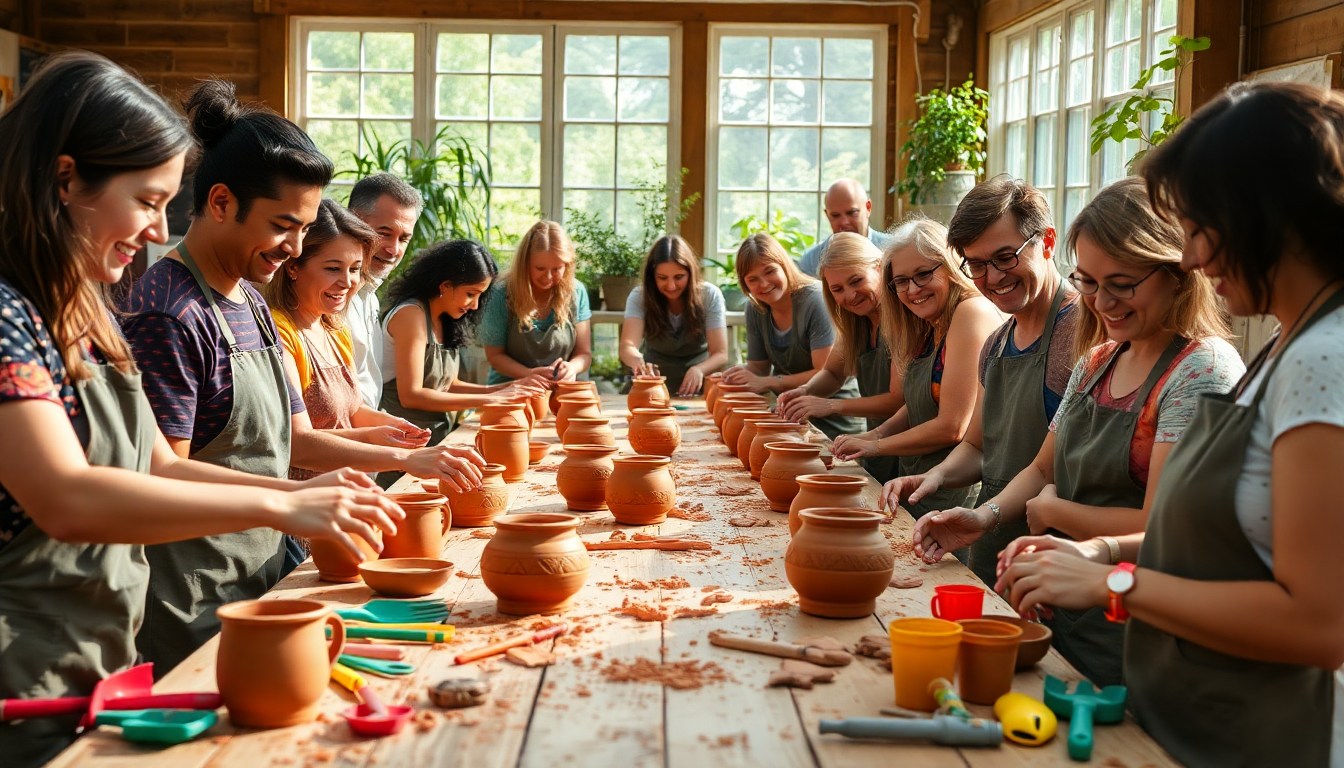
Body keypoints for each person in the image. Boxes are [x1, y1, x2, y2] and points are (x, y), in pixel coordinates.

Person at [0, 52, 401, 767]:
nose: (158, 231)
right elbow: (64, 497)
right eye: (149, 201)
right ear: (66, 180)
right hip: (22, 682)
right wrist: (281, 508)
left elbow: (157, 465)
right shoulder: (7, 317)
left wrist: (299, 494)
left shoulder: (81, 312)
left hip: (96, 671)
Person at [995, 82, 1344, 768]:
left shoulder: (1323, 359)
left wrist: (1113, 585)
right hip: (1197, 711)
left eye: (1195, 228)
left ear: (1260, 213)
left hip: (1265, 734)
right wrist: (1101, 553)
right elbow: (1218, 544)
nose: (1189, 259)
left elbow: (1321, 623)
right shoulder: (1284, 345)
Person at [119, 80, 484, 672]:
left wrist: (372, 463)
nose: (293, 248)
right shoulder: (168, 309)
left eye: (303, 228)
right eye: (283, 226)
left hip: (265, 572)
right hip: (196, 596)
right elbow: (169, 478)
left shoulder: (251, 299)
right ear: (219, 203)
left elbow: (288, 437)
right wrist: (294, 497)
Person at [915, 178, 1243, 687]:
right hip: (1061, 605)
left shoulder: (1200, 371)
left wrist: (1053, 512)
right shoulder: (1097, 360)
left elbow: (1163, 528)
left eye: (1122, 283)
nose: (1102, 302)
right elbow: (1043, 466)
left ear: (1178, 272)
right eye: (1088, 282)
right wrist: (982, 516)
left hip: (1135, 628)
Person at [880, 177, 1081, 586]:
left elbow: (1047, 470)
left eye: (1005, 257)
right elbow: (975, 445)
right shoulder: (997, 342)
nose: (992, 277)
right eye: (977, 264)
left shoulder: (1084, 333)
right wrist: (934, 476)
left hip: (1058, 564)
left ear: (1047, 242)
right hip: (993, 549)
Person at [831, 217, 1002, 519]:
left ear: (950, 267)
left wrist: (877, 445)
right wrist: (875, 435)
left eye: (923, 274)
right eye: (901, 281)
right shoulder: (927, 322)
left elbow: (952, 426)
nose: (912, 290)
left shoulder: (970, 311)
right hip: (919, 481)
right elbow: (920, 402)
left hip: (958, 488)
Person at [263, 198, 437, 479]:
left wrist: (397, 427)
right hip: (305, 504)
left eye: (355, 268)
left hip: (346, 492)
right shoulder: (279, 334)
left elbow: (353, 409)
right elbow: (299, 443)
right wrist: (400, 455)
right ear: (293, 266)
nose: (347, 282)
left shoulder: (334, 326)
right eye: (333, 268)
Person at [381, 239, 546, 448]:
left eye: (480, 296)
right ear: (445, 285)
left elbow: (449, 385)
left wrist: (506, 388)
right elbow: (411, 396)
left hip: (436, 439)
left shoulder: (445, 318)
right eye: (470, 294)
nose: (475, 305)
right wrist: (489, 400)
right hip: (400, 444)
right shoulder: (411, 314)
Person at [777, 232, 904, 483]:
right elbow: (833, 373)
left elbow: (896, 400)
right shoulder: (856, 322)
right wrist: (804, 391)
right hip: (875, 444)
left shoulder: (903, 318)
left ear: (878, 268)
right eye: (838, 289)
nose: (850, 295)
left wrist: (829, 405)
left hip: (910, 447)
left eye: (857, 280)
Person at [721, 233, 864, 440]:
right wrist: (734, 376)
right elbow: (758, 368)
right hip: (790, 413)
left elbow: (823, 371)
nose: (763, 284)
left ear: (785, 266)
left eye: (770, 271)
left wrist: (770, 382)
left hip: (834, 417)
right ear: (745, 284)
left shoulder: (815, 300)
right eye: (753, 279)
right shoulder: (755, 308)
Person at [479, 220, 592, 385]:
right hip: (510, 390)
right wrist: (529, 374)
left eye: (556, 269)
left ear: (567, 266)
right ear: (524, 264)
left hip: (564, 390)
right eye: (540, 268)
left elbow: (584, 353)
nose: (548, 277)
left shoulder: (576, 292)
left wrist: (572, 368)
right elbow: (495, 356)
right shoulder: (500, 294)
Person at [346, 173, 422, 409]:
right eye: (384, 233)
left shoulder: (370, 297)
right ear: (353, 221)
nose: (393, 250)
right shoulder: (328, 295)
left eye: (404, 239)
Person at [618, 235, 729, 395]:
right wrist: (638, 362)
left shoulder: (710, 295)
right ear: (651, 276)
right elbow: (627, 347)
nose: (671, 286)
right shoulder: (639, 297)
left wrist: (699, 369)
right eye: (662, 278)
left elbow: (720, 353)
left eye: (679, 277)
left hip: (698, 387)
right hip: (652, 387)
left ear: (691, 273)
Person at [796, 179, 893, 277]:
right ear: (827, 215)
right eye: (835, 215)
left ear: (868, 208)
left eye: (852, 213)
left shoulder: (893, 250)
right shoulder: (812, 261)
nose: (844, 222)